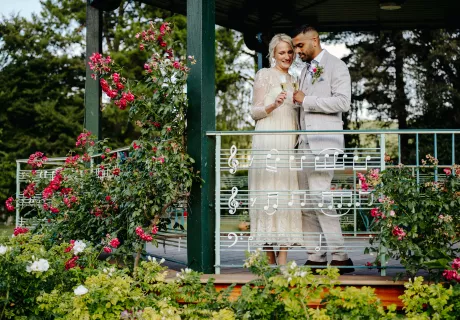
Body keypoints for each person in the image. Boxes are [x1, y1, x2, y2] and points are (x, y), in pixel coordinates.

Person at [291, 24, 354, 274]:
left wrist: (306, 100)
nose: (297, 51)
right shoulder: (304, 70)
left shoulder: (336, 66)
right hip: (302, 145)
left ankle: (340, 256)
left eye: (300, 45)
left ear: (314, 40)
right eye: (295, 46)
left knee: (321, 198)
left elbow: (343, 102)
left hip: (324, 145)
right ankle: (315, 256)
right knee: (306, 203)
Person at [249, 34, 303, 265]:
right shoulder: (265, 75)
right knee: (267, 193)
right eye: (282, 52)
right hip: (268, 138)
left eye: (290, 52)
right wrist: (273, 104)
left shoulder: (295, 79)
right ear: (273, 54)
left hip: (287, 141)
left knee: (285, 195)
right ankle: (269, 258)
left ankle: (282, 258)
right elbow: (254, 111)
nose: (287, 56)